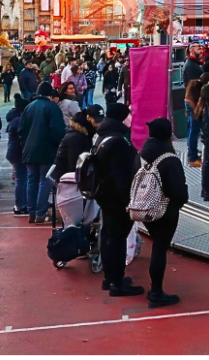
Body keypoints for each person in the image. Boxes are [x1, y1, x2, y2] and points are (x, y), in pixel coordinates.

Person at [92, 102, 143, 297]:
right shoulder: (119, 141)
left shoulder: (102, 136)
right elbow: (122, 175)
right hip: (115, 197)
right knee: (117, 238)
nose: (131, 118)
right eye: (128, 115)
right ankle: (117, 281)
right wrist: (129, 201)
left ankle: (109, 277)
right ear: (122, 118)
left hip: (103, 193)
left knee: (108, 235)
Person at [139, 118, 190, 308]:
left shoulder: (141, 155)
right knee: (159, 249)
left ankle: (156, 290)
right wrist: (177, 204)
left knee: (156, 246)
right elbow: (178, 190)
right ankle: (156, 292)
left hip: (144, 208)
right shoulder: (169, 158)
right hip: (164, 210)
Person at [20, 83, 67, 224]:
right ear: (50, 95)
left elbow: (21, 130)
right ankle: (41, 212)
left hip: (29, 150)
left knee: (31, 181)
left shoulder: (28, 107)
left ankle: (32, 212)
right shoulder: (52, 108)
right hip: (46, 150)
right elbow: (58, 132)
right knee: (44, 181)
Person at [53, 105, 100, 179]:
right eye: (96, 121)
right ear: (88, 118)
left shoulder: (85, 133)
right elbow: (74, 164)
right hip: (67, 179)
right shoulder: (77, 137)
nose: (99, 124)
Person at [5, 94, 30, 216]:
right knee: (22, 179)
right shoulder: (20, 120)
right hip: (19, 153)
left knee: (22, 179)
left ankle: (22, 204)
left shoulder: (14, 119)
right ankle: (21, 205)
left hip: (14, 152)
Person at [183, 79, 203, 168]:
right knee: (193, 132)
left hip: (190, 105)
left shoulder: (188, 98)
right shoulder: (194, 103)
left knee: (191, 130)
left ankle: (192, 154)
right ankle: (193, 158)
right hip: (193, 108)